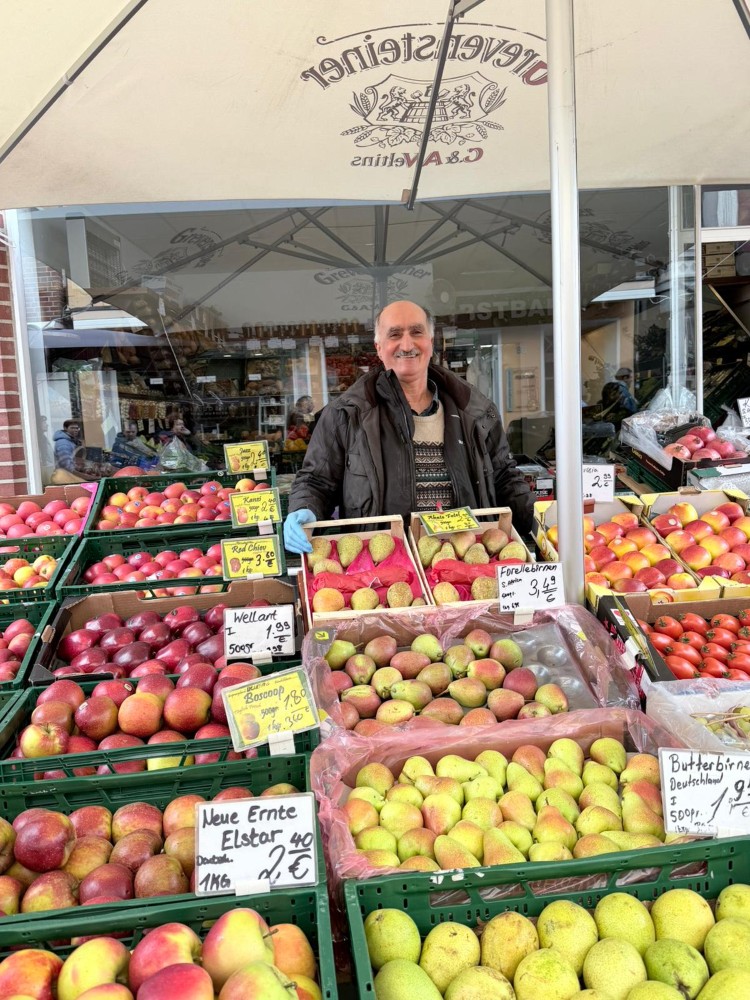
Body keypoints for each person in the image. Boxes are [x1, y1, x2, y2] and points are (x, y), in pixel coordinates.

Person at [284, 300, 533, 553]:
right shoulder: (346, 415)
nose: (407, 344)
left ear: (430, 342)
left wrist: (537, 518)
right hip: (383, 572)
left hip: (466, 568)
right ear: (379, 348)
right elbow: (316, 481)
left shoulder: (475, 411)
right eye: (394, 334)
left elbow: (503, 475)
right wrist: (304, 507)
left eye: (416, 332)